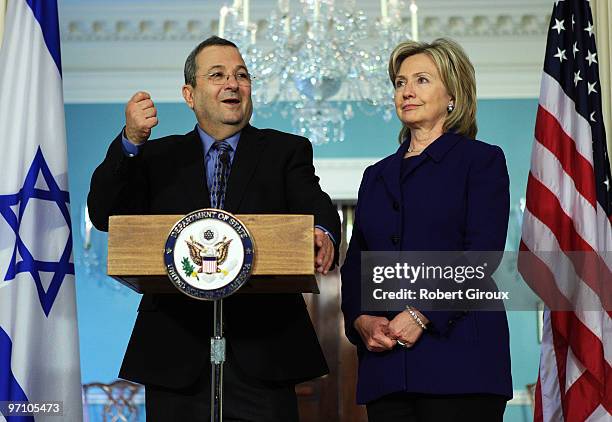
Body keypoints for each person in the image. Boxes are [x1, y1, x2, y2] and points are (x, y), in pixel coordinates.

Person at [87, 36, 341, 422]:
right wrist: (131, 142)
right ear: (190, 94)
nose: (232, 83)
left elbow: (314, 201)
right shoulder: (156, 157)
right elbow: (104, 213)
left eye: (241, 75)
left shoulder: (285, 151)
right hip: (175, 356)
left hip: (265, 355)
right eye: (218, 74)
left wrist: (323, 229)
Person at [340, 38, 512, 422]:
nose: (407, 92)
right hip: (386, 370)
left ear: (452, 94)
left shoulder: (481, 161)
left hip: (463, 363)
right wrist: (360, 320)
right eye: (400, 83)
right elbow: (356, 263)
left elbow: (482, 254)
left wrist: (422, 314)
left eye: (421, 80)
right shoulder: (376, 175)